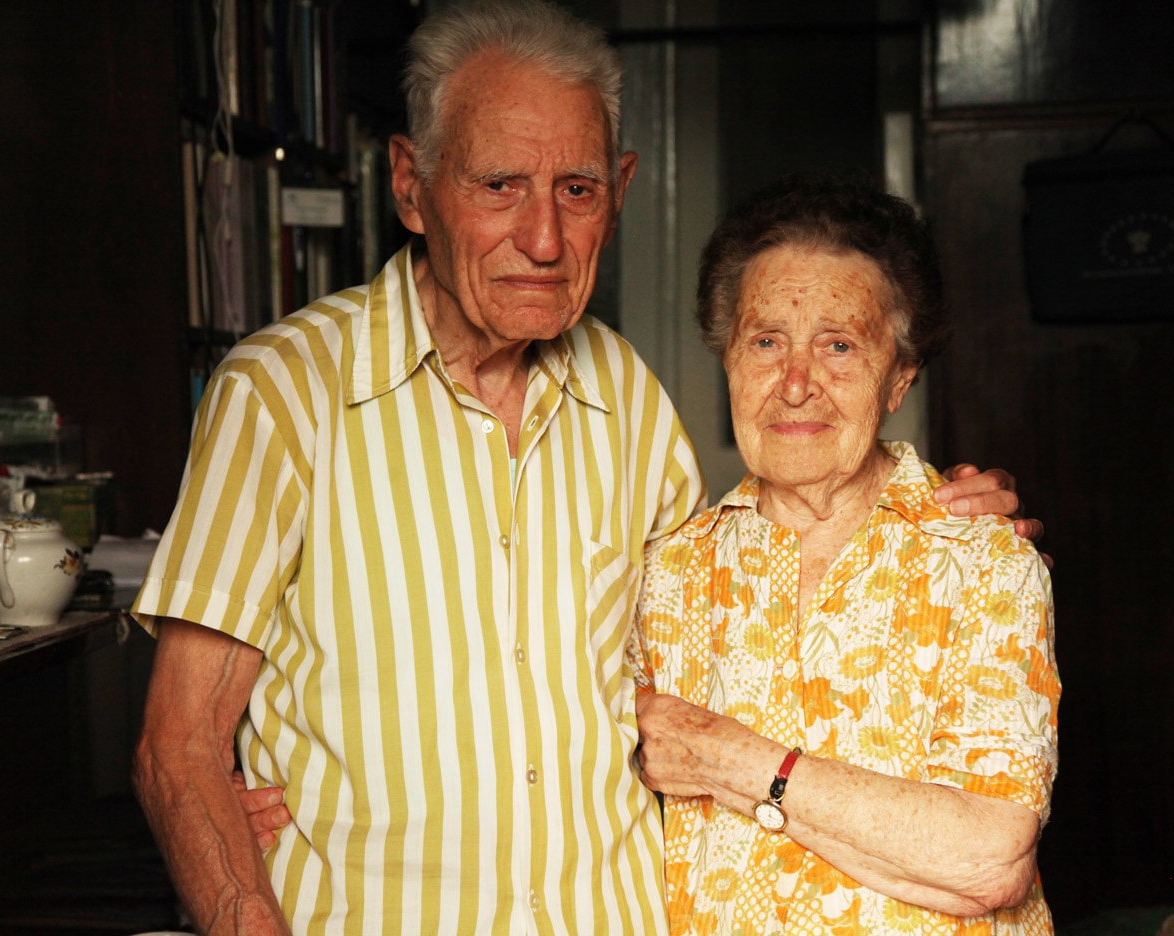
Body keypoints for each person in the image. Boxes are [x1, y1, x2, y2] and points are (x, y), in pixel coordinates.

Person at [131, 2, 1040, 934]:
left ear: (622, 188)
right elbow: (180, 747)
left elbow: (754, 603)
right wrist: (237, 895)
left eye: (577, 189)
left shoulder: (628, 397)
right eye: (499, 186)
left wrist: (936, 512)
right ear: (410, 185)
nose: (543, 239)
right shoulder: (282, 393)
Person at [630, 171, 1059, 934]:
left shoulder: (985, 562)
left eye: (839, 346)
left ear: (898, 380)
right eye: (767, 342)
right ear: (728, 361)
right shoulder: (663, 574)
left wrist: (727, 758)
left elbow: (989, 858)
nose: (797, 384)